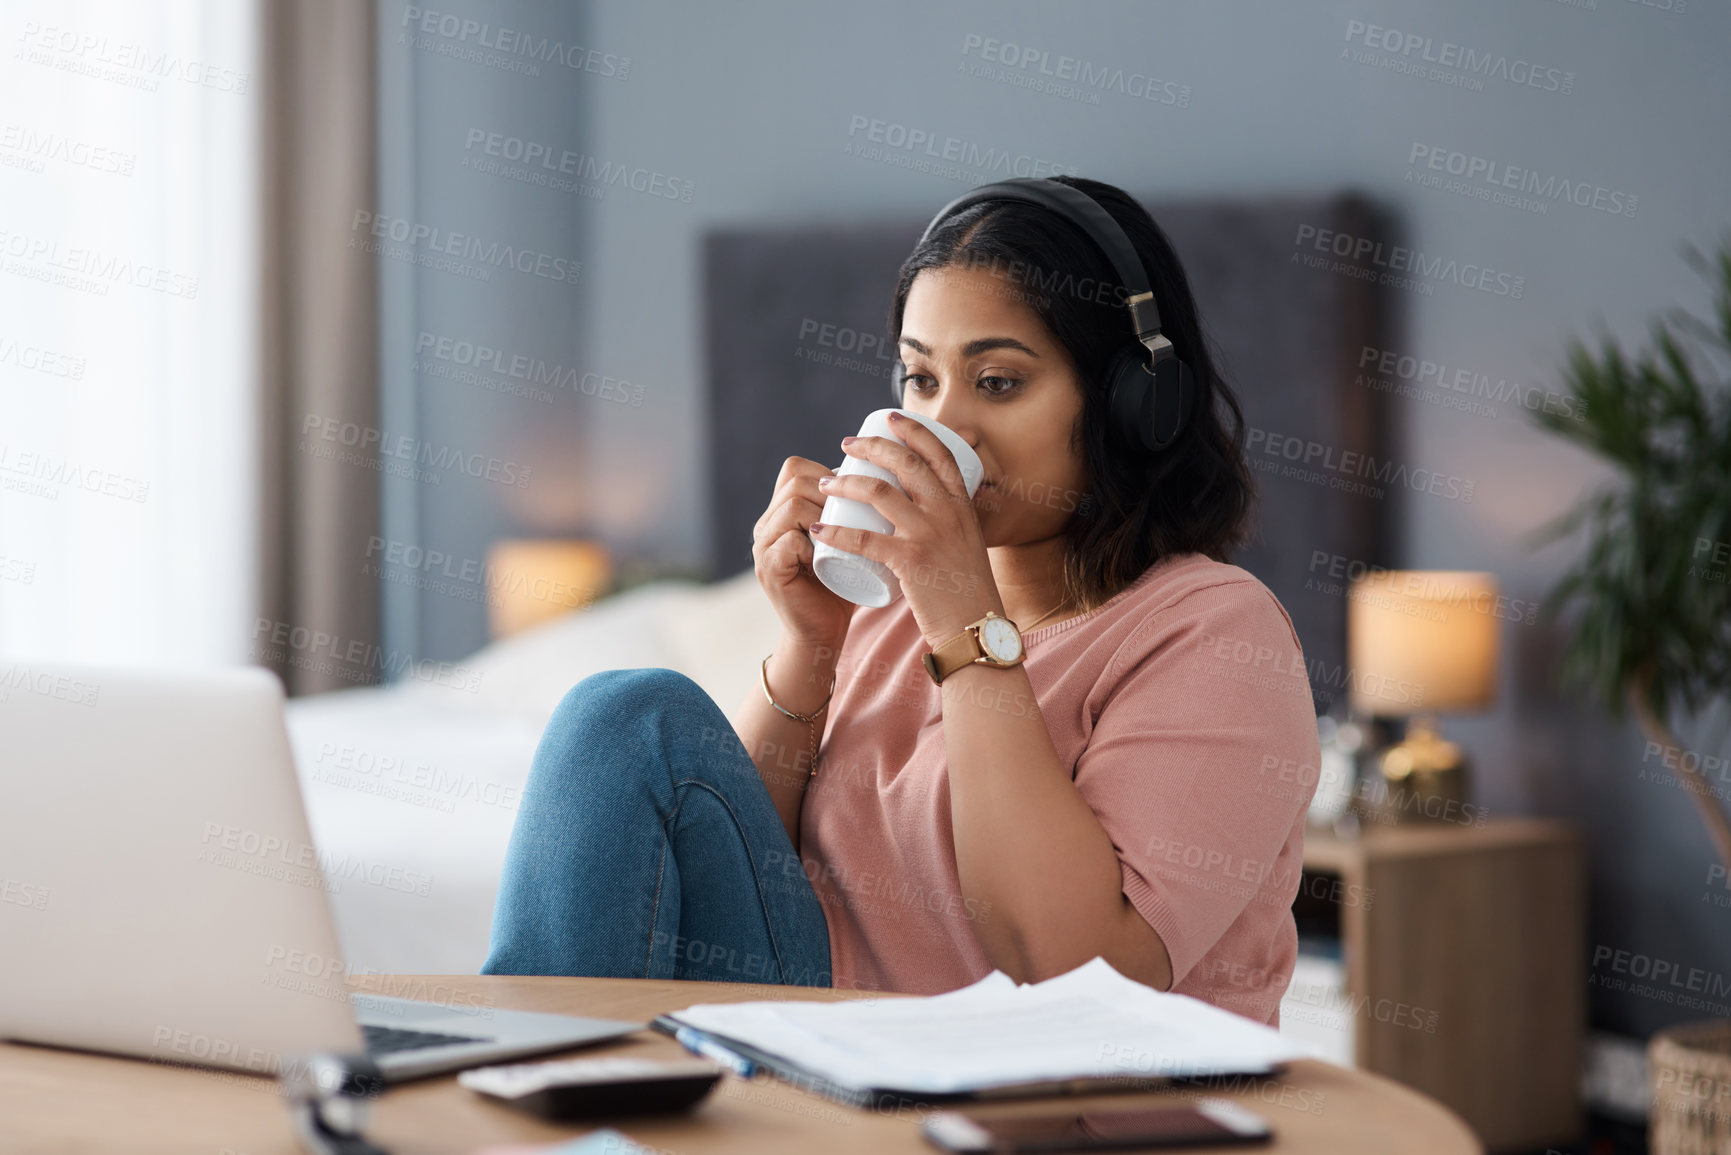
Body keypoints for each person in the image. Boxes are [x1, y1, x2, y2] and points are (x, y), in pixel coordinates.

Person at [482, 175, 1321, 1026]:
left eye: (996, 381)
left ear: (1131, 400)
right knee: (627, 711)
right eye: (920, 379)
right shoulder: (892, 609)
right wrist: (810, 647)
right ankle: (525, 1086)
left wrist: (963, 616)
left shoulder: (1213, 633)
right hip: (825, 1042)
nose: (941, 426)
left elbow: (1071, 972)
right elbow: (738, 853)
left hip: (1031, 1094)